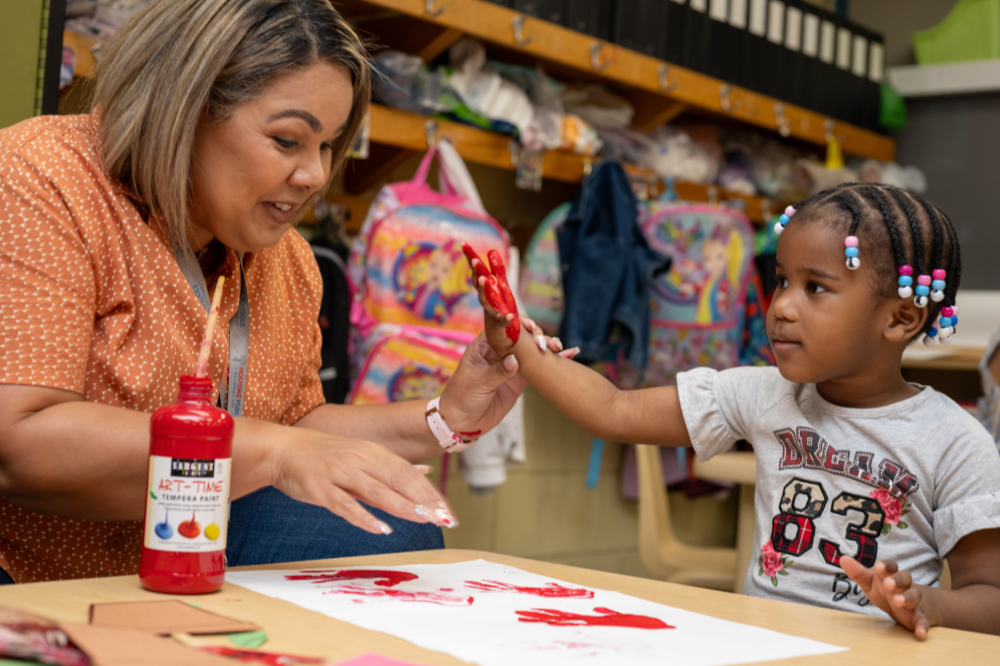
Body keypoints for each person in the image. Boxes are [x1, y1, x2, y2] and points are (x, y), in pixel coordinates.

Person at [0, 0, 565, 584]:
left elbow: (296, 427)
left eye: (327, 145)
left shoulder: (286, 257)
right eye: (288, 140)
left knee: (394, 530)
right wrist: (271, 451)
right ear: (185, 108)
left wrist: (444, 417)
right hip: (27, 564)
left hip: (186, 545)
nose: (317, 175)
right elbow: (18, 444)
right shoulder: (41, 178)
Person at [469, 182, 1000, 638]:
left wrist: (929, 606)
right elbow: (613, 409)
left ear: (901, 317)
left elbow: (991, 598)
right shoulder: (764, 394)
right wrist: (516, 339)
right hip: (763, 648)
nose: (782, 306)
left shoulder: (955, 442)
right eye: (782, 280)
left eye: (816, 287)